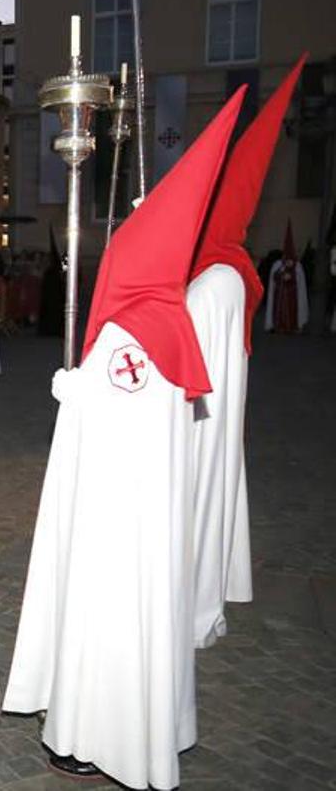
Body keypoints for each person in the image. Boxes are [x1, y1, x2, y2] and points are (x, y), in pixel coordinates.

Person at [3, 89, 247, 790]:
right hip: (151, 517)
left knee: (108, 627)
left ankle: (90, 735)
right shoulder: (171, 323)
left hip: (113, 522)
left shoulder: (127, 338)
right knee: (149, 619)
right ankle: (160, 727)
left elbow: (104, 415)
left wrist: (70, 390)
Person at [188, 58, 302, 648]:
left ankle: (197, 606)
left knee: (203, 500)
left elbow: (185, 364)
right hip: (219, 413)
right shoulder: (231, 272)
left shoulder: (211, 284)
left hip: (200, 422)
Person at [265, 220, 309, 333]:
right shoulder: (278, 265)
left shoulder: (297, 266)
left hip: (291, 296)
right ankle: (278, 326)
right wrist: (281, 274)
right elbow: (274, 279)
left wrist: (290, 277)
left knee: (291, 312)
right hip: (280, 296)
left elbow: (299, 283)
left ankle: (292, 327)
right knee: (280, 312)